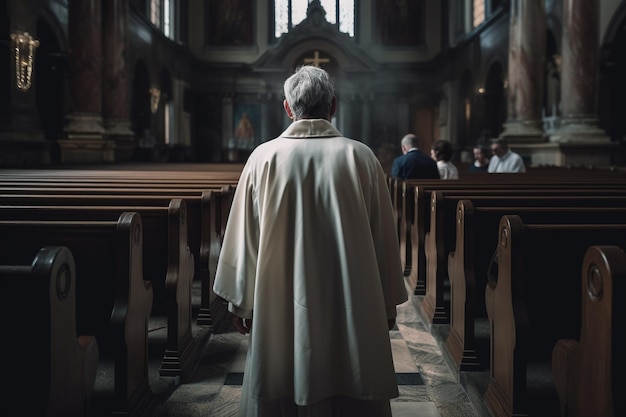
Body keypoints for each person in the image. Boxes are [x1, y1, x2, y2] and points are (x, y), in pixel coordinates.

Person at [213, 65, 408, 417]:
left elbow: (244, 238)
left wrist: (240, 302)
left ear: (287, 108)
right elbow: (383, 238)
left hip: (279, 304)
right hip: (350, 300)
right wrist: (387, 302)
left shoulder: (263, 158)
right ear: (333, 105)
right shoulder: (361, 157)